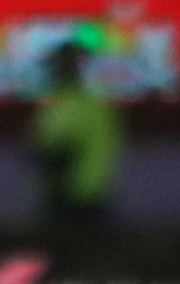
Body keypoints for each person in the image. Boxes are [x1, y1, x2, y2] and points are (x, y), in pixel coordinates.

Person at [30, 41, 123, 229]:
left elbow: (50, 152)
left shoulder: (70, 106)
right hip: (93, 199)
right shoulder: (96, 107)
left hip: (72, 205)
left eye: (55, 67)